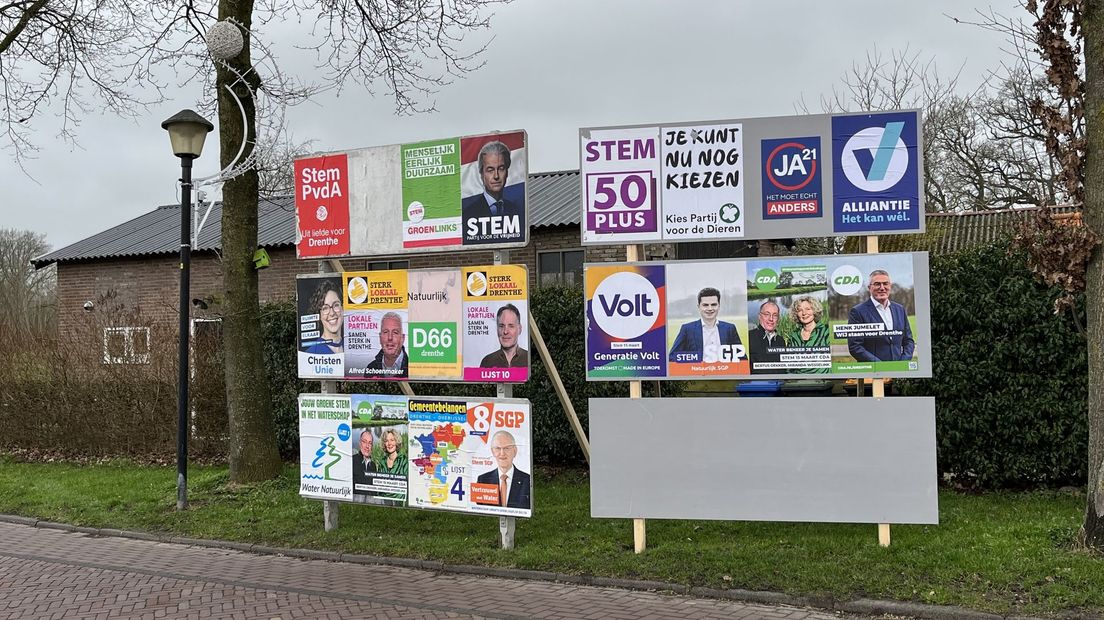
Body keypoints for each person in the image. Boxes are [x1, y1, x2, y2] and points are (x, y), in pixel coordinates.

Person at [847, 269, 916, 362]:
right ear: (869, 287)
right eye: (877, 284)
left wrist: (903, 362)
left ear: (890, 286)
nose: (882, 287)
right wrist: (880, 366)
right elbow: (855, 346)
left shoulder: (900, 309)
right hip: (872, 372)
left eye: (885, 284)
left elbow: (908, 341)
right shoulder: (858, 312)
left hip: (899, 371)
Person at [668, 287, 745, 363]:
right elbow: (672, 358)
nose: (710, 308)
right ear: (699, 307)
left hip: (723, 374)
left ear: (719, 306)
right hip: (697, 374)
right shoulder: (687, 329)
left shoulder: (730, 329)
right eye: (705, 305)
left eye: (714, 304)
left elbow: (742, 359)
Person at [462, 141, 520, 220]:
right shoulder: (469, 214)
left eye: (501, 169)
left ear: (507, 172)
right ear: (482, 174)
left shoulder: (516, 210)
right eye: (490, 170)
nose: (496, 176)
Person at [476, 430, 531, 509]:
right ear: (493, 452)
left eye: (507, 448)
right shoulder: (483, 480)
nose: (502, 453)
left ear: (515, 451)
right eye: (498, 448)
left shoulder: (527, 480)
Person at [480, 304, 529, 368]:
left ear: (519, 329)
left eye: (511, 326)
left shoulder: (528, 358)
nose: (505, 331)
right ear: (497, 329)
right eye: (501, 326)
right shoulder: (487, 362)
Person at [304, 280, 343, 354]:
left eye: (336, 305)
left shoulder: (352, 349)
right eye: (325, 308)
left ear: (343, 308)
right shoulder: (311, 354)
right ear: (319, 314)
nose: (332, 313)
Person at [367, 312, 409, 377]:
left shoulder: (413, 368)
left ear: (402, 338)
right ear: (380, 337)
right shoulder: (371, 368)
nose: (390, 337)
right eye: (386, 332)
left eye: (395, 332)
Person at [747, 299, 782, 374]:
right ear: (759, 316)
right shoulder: (749, 337)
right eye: (767, 314)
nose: (771, 319)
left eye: (775, 315)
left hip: (778, 384)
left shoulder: (780, 340)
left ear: (778, 319)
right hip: (757, 384)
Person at [352, 430, 376, 496]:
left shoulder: (373, 465)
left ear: (372, 446)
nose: (367, 446)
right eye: (364, 442)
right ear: (360, 443)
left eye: (370, 443)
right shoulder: (352, 461)